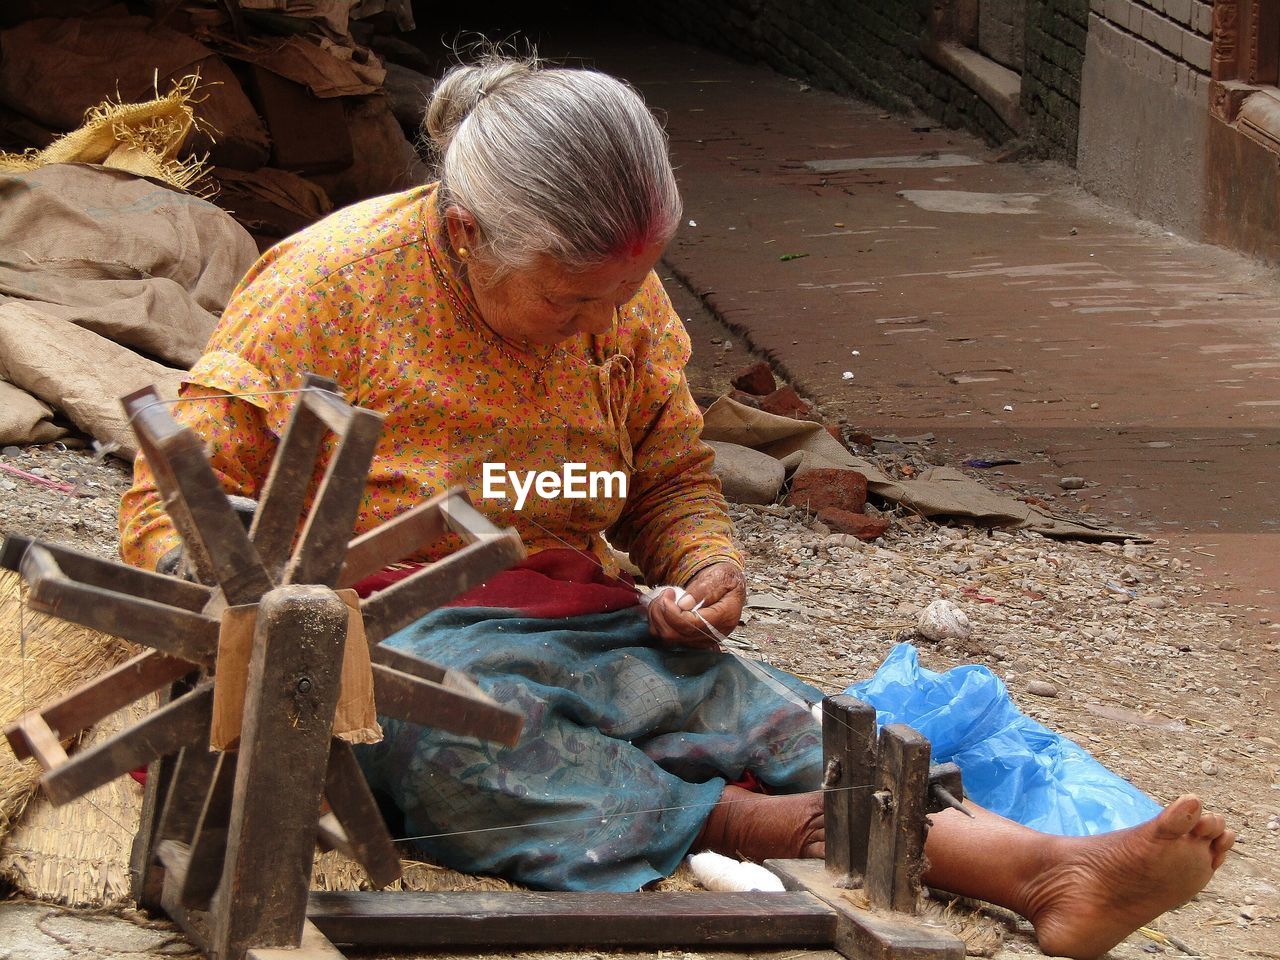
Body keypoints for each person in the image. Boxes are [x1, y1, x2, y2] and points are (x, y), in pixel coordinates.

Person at [119, 53, 1233, 960]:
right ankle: (800, 833)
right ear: (465, 235)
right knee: (451, 736)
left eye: (622, 289)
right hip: (380, 636)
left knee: (754, 709)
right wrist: (258, 628)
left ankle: (1044, 870)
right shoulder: (325, 289)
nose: (602, 319)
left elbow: (666, 473)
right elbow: (176, 506)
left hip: (572, 614)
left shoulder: (621, 295)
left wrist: (703, 563)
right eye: (570, 296)